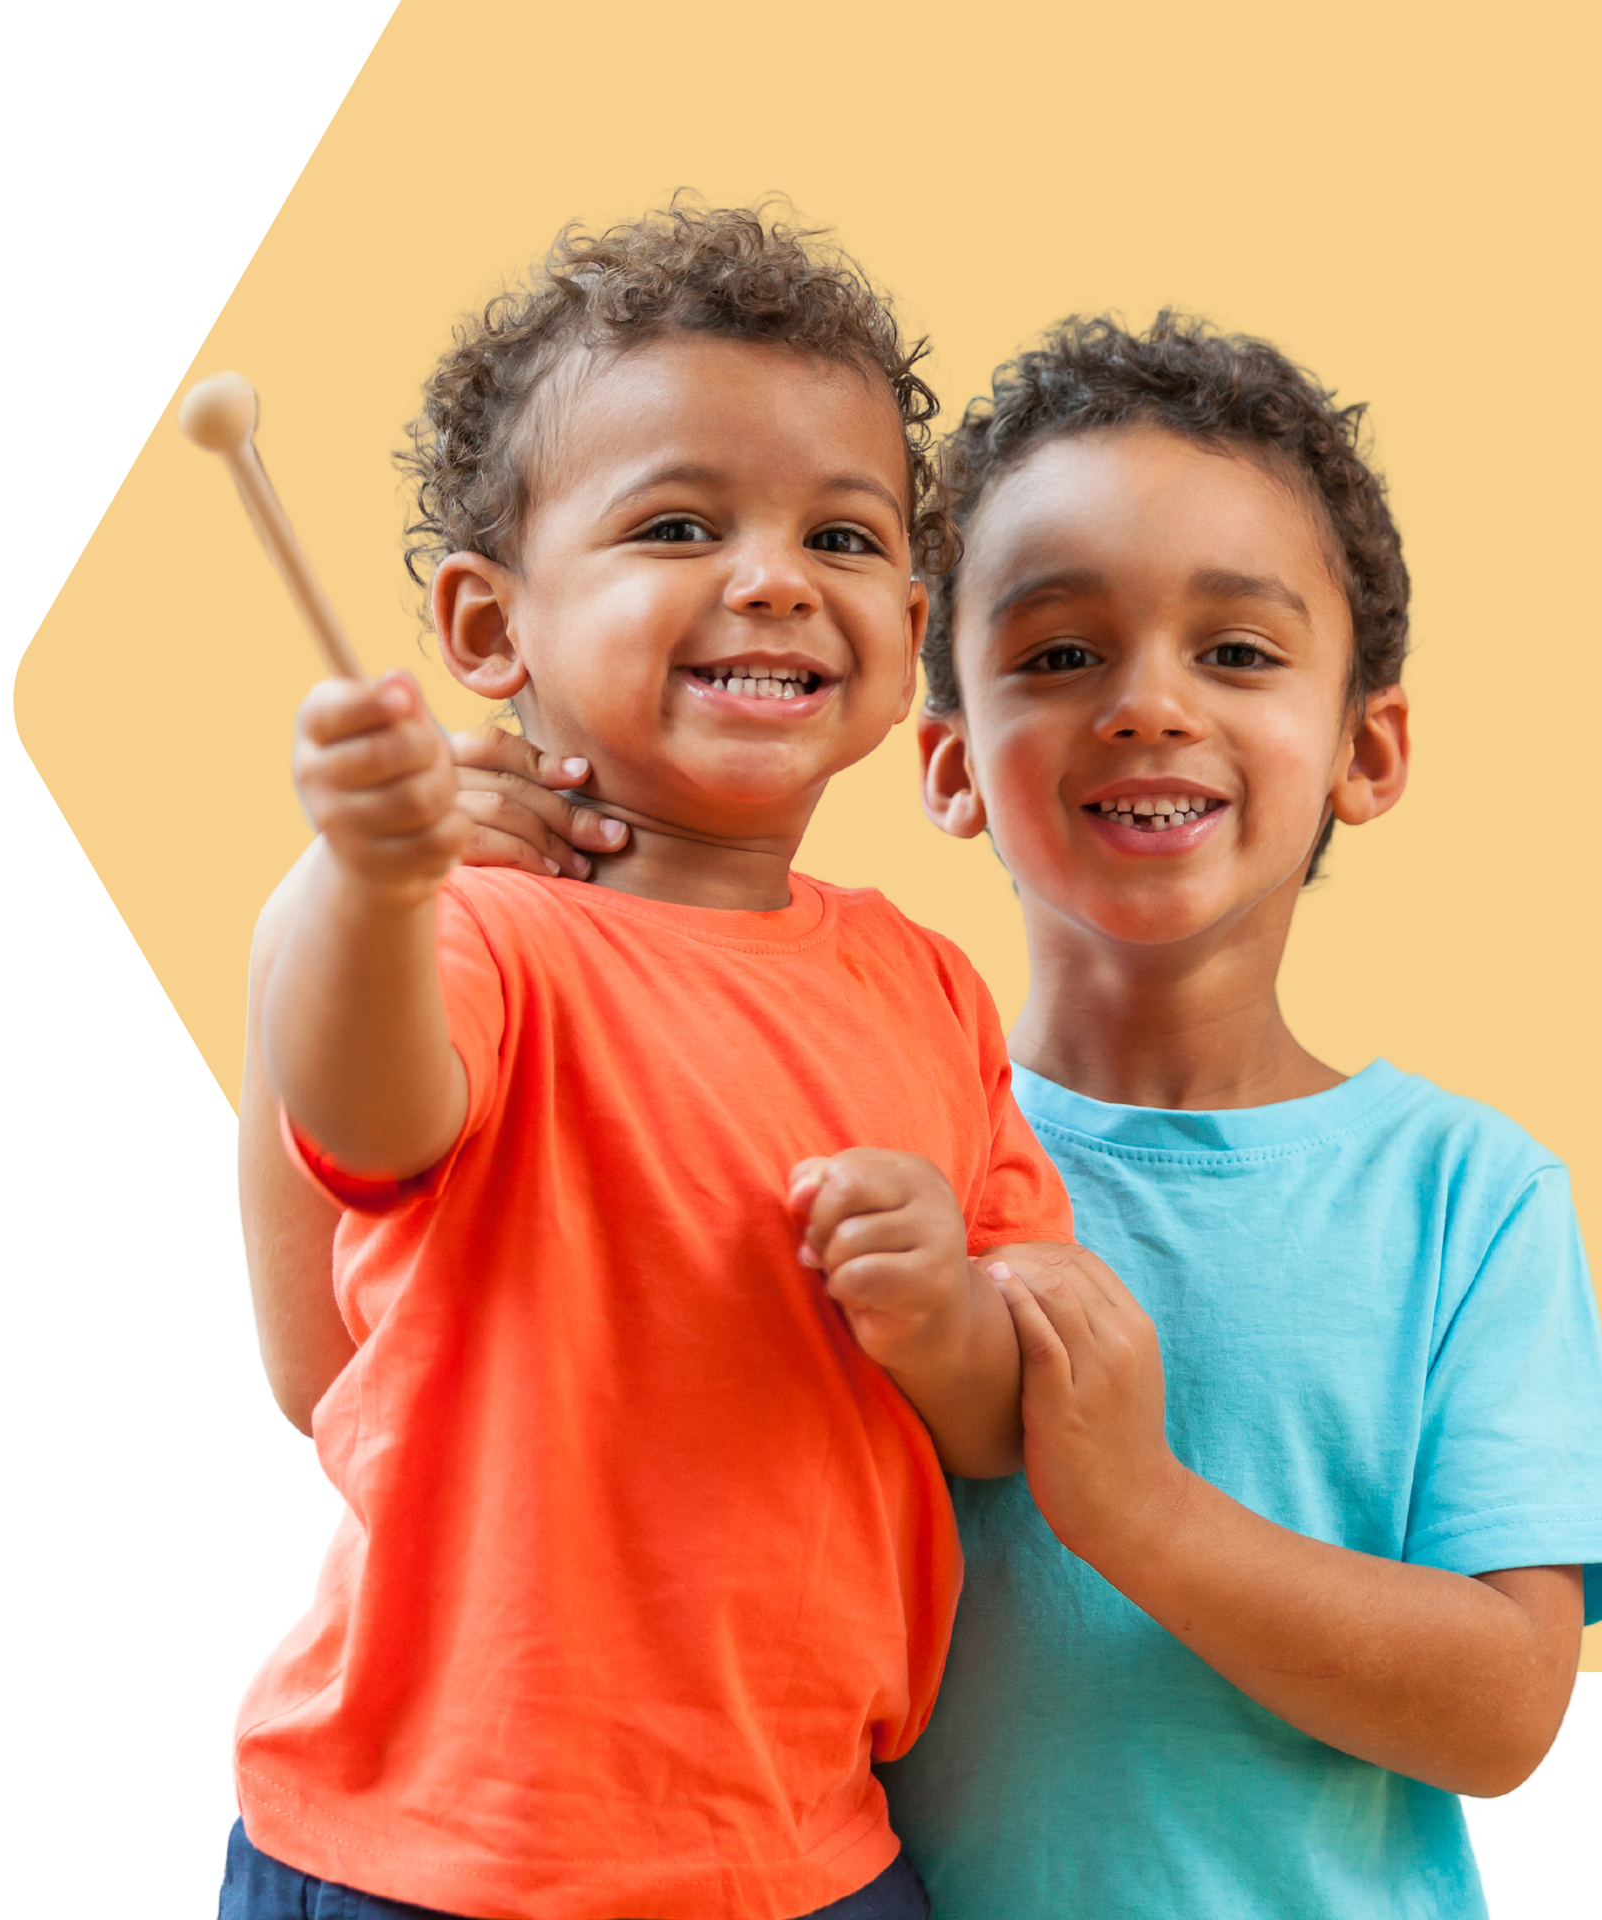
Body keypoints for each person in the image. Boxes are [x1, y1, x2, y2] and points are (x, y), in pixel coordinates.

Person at [219, 205, 1074, 1920]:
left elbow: (1002, 1427)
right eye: (679, 523)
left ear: (908, 626)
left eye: (840, 534)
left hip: (813, 1852)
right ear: (485, 629)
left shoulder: (929, 984)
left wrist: (946, 1317)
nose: (773, 576)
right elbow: (366, 1108)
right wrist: (360, 883)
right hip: (432, 1855)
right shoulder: (475, 933)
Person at [874, 312, 1602, 1916]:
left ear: (1364, 747)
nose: (1146, 704)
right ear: (947, 763)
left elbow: (1507, 1716)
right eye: (1056, 653)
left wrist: (1139, 1510)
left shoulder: (1470, 1197)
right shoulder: (881, 1149)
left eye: (1235, 651)